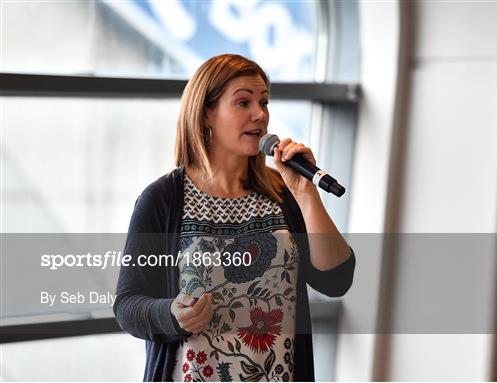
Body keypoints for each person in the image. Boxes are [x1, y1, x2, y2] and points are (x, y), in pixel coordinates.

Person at [113, 53, 355, 382]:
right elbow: (128, 305)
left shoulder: (283, 194)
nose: (260, 114)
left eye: (264, 102)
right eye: (243, 102)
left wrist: (306, 194)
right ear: (206, 114)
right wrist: (172, 314)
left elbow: (335, 280)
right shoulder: (163, 200)